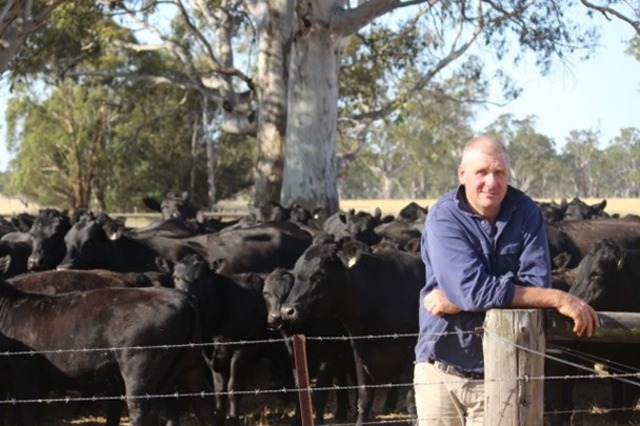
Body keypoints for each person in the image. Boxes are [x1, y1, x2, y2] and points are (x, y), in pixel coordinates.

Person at [413, 135, 599, 426]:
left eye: (499, 172)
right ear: (462, 174)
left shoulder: (526, 212)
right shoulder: (444, 217)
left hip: (504, 374)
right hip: (441, 371)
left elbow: (534, 282)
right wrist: (556, 297)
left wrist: (459, 299)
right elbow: (473, 291)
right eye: (481, 172)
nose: (491, 182)